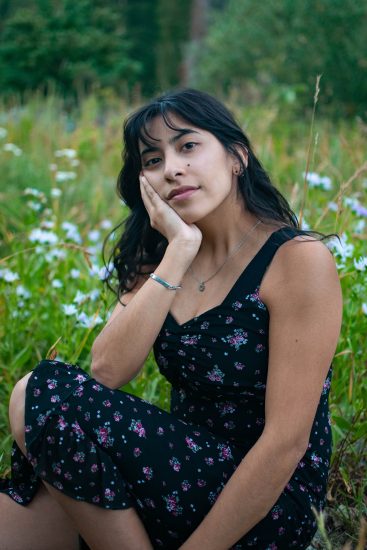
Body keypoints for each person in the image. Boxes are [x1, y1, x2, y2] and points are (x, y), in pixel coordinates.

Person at [0, 89, 342, 550]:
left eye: (187, 146)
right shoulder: (160, 257)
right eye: (153, 159)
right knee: (12, 520)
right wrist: (179, 253)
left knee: (37, 393)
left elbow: (286, 443)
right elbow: (107, 371)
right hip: (175, 480)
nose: (172, 169)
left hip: (268, 506)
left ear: (237, 155)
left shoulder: (297, 260)